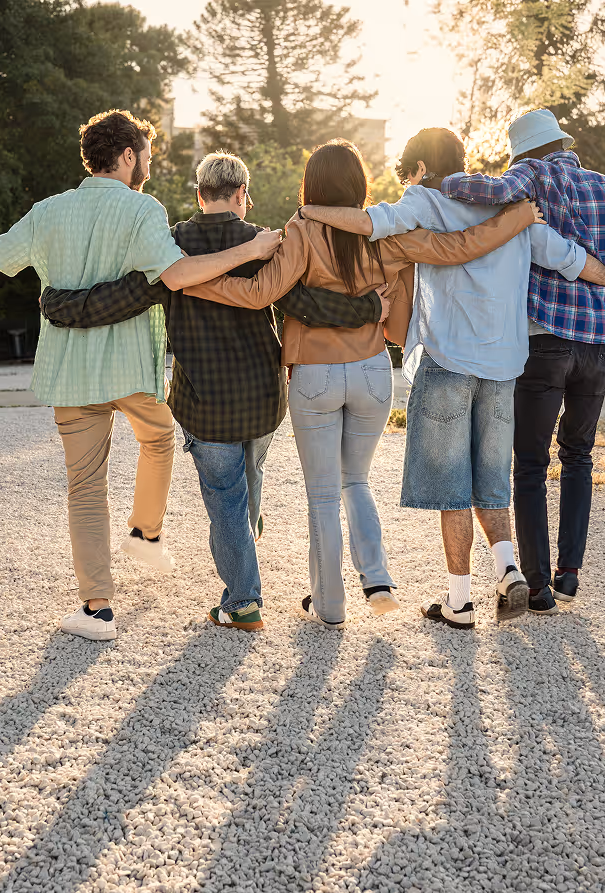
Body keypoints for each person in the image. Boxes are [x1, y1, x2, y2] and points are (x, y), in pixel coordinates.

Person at [0, 109, 283, 642]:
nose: (149, 167)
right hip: (132, 369)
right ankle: (146, 532)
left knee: (84, 487)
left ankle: (98, 608)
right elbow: (176, 276)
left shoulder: (48, 211)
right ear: (128, 155)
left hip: (70, 373)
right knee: (158, 438)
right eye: (147, 157)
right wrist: (250, 249)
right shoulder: (142, 210)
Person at [185, 139, 541, 629]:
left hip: (314, 375)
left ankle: (330, 606)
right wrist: (517, 219)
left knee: (323, 496)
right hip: (375, 372)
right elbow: (458, 248)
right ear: (359, 186)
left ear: (311, 186)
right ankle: (377, 580)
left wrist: (191, 283)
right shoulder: (385, 233)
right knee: (357, 481)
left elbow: (258, 294)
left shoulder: (302, 231)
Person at [38, 151, 388, 631]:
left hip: (205, 399)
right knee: (252, 469)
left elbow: (124, 297)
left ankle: (243, 602)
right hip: (263, 397)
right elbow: (303, 303)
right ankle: (249, 527)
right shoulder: (263, 242)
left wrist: (62, 305)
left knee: (225, 498)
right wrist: (370, 308)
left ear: (198, 194)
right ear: (242, 194)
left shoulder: (174, 247)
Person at [300, 127, 605, 629]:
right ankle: (509, 569)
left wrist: (313, 211)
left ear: (422, 169)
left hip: (449, 361)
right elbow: (566, 257)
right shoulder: (508, 208)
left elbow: (367, 222)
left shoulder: (424, 200)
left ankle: (460, 602)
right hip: (505, 366)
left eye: (409, 172)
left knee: (452, 487)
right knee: (491, 481)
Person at [423, 109, 605, 612]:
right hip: (601, 343)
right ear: (561, 141)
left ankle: (535, 586)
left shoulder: (531, 176)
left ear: (526, 152)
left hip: (546, 341)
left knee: (531, 463)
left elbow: (489, 193)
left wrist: (437, 178)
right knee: (579, 455)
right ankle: (570, 572)